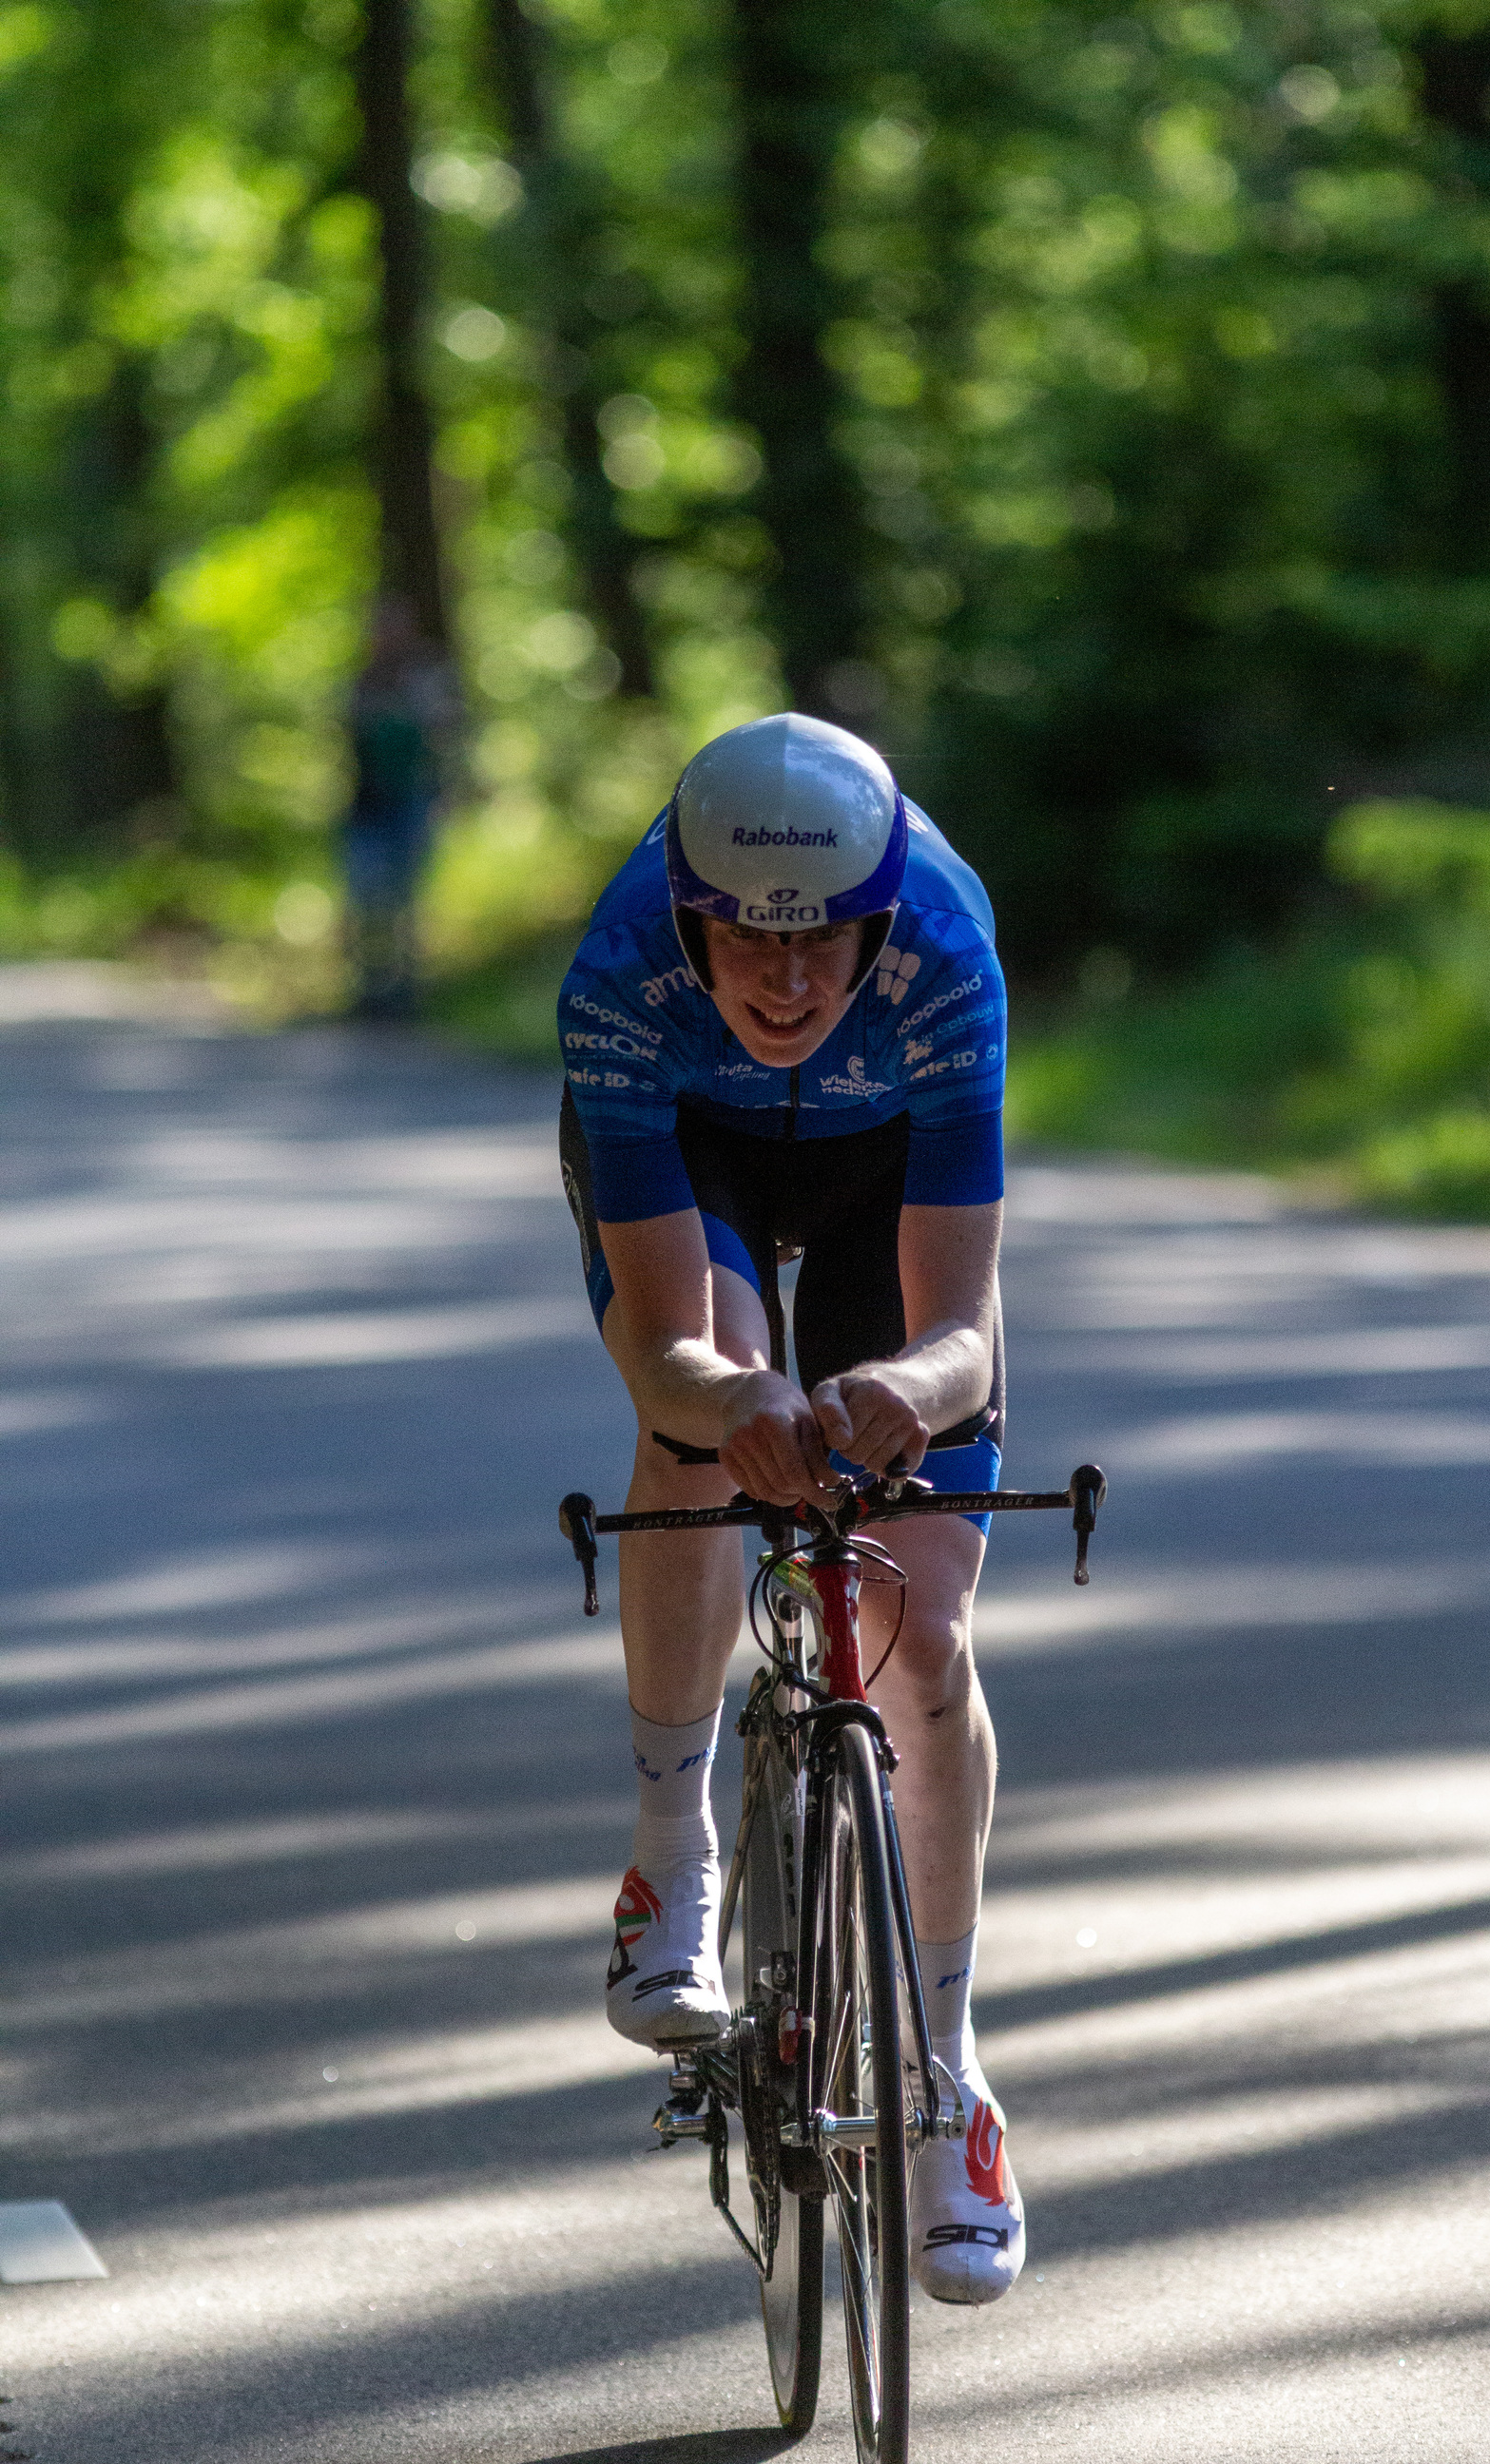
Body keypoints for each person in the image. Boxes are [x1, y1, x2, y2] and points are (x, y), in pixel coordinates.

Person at [556, 712, 1022, 2306]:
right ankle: (667, 1845)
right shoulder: (617, 979)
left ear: (880, 916)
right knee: (706, 1424)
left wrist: (911, 1388)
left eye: (824, 939)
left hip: (882, 1153)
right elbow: (658, 1337)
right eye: (746, 943)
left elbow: (965, 1332)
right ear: (685, 915)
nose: (784, 978)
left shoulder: (948, 956)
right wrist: (729, 1402)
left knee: (924, 1630)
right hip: (698, 1164)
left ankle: (950, 2073)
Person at [340, 594, 458, 1020]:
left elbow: (444, 728)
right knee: (366, 898)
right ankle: (369, 989)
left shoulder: (426, 675)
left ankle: (407, 991)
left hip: (413, 799)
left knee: (406, 900)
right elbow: (347, 732)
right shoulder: (363, 680)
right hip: (368, 804)